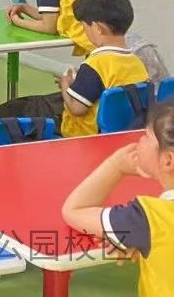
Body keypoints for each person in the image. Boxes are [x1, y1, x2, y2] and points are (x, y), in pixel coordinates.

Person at [0, 0, 147, 133]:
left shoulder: (95, 64)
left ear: (97, 28)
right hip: (119, 131)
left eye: (84, 27)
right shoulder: (137, 63)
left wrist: (66, 85)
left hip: (80, 134)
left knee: (8, 113)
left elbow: (77, 108)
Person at [62, 100, 174, 297]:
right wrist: (139, 240)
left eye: (146, 135)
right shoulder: (142, 227)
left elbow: (74, 210)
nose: (139, 140)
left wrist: (116, 166)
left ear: (168, 160)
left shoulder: (146, 218)